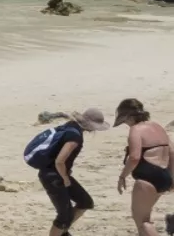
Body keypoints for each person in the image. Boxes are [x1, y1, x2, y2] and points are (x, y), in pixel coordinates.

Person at [37, 108, 112, 236]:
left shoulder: (70, 126)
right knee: (64, 216)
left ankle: (63, 232)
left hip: (53, 174)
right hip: (54, 176)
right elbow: (60, 161)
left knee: (85, 202)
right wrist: (65, 178)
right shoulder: (75, 136)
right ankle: (60, 232)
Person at [117, 99, 170, 236]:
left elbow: (134, 157)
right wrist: (171, 176)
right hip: (164, 176)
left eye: (124, 120)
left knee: (143, 222)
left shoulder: (135, 130)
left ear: (129, 116)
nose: (126, 124)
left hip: (147, 178)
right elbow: (173, 152)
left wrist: (122, 176)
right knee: (146, 216)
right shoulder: (158, 127)